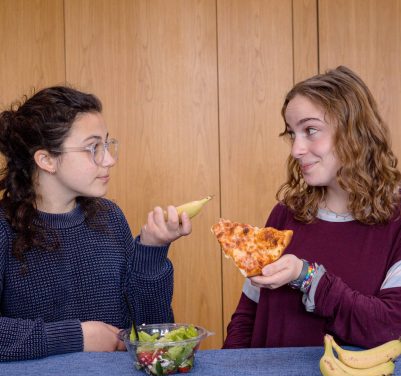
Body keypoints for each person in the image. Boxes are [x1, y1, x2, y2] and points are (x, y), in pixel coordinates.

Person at [0, 86, 191, 361]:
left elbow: (153, 332)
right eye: (93, 148)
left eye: (107, 144)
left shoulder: (110, 216)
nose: (110, 160)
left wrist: (152, 251)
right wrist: (77, 337)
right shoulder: (4, 228)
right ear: (46, 159)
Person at [223, 66, 401, 349]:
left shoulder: (397, 224)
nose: (296, 149)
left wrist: (307, 277)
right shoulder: (284, 214)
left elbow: (390, 326)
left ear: (355, 132)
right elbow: (247, 316)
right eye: (293, 134)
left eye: (310, 130)